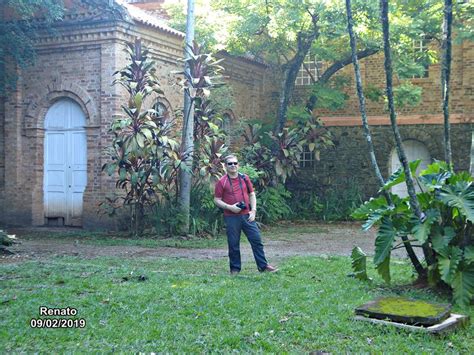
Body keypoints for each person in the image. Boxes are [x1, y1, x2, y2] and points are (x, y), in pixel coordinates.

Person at [214, 154, 278, 274]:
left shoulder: (244, 178)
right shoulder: (222, 182)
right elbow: (217, 199)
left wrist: (253, 211)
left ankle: (263, 267)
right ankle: (235, 269)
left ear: (238, 165)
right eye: (230, 164)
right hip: (231, 217)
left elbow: (252, 194)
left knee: (256, 240)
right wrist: (230, 207)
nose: (233, 165)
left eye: (235, 163)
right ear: (225, 166)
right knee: (233, 244)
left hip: (247, 215)